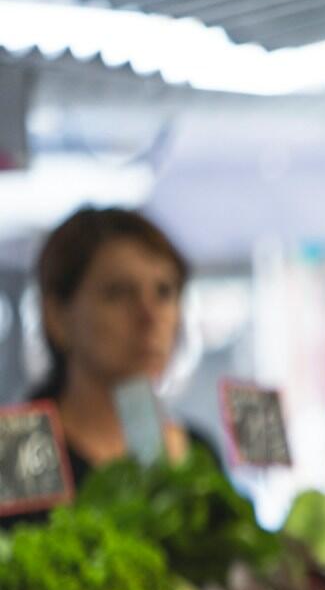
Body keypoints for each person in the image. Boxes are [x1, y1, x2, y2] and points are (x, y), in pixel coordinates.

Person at [17, 207, 218, 499]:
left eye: (164, 292)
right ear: (57, 316)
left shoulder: (199, 456)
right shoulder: (17, 451)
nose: (149, 316)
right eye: (118, 293)